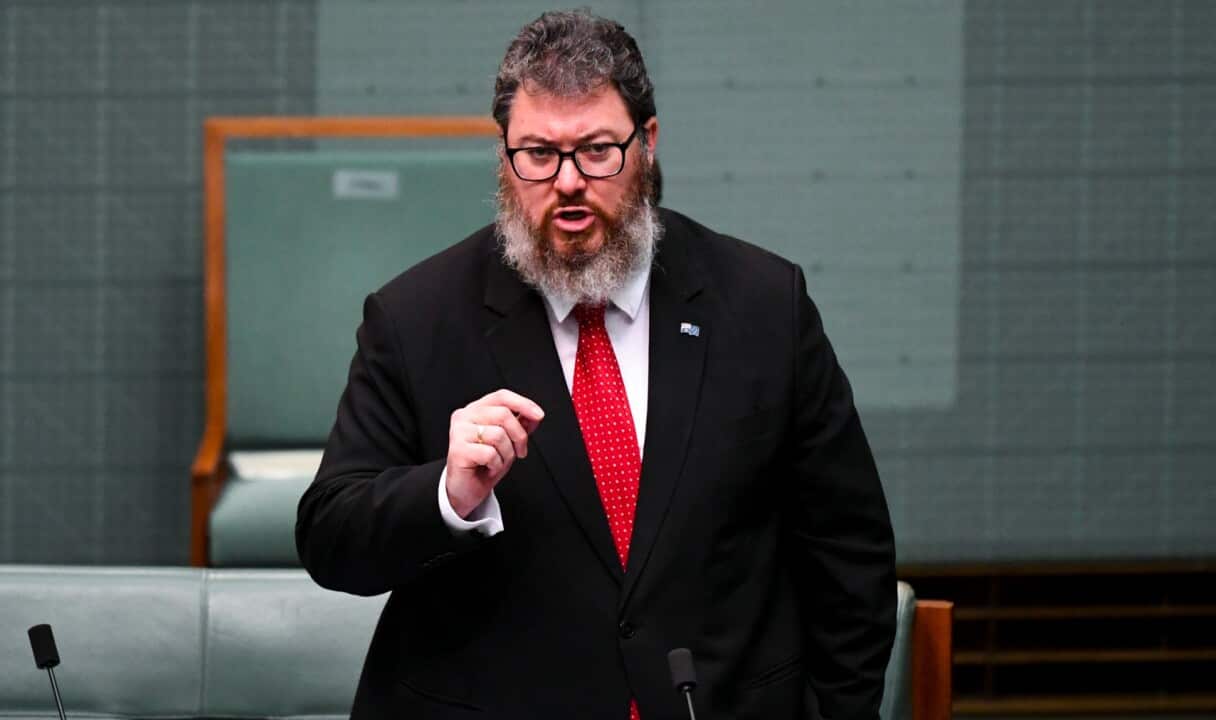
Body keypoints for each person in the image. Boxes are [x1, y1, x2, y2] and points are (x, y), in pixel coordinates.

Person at [296, 9, 895, 720]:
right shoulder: (417, 317)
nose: (569, 182)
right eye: (539, 154)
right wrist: (448, 495)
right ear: (505, 157)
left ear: (647, 143)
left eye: (597, 150)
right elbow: (331, 539)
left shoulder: (766, 305)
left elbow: (848, 551)